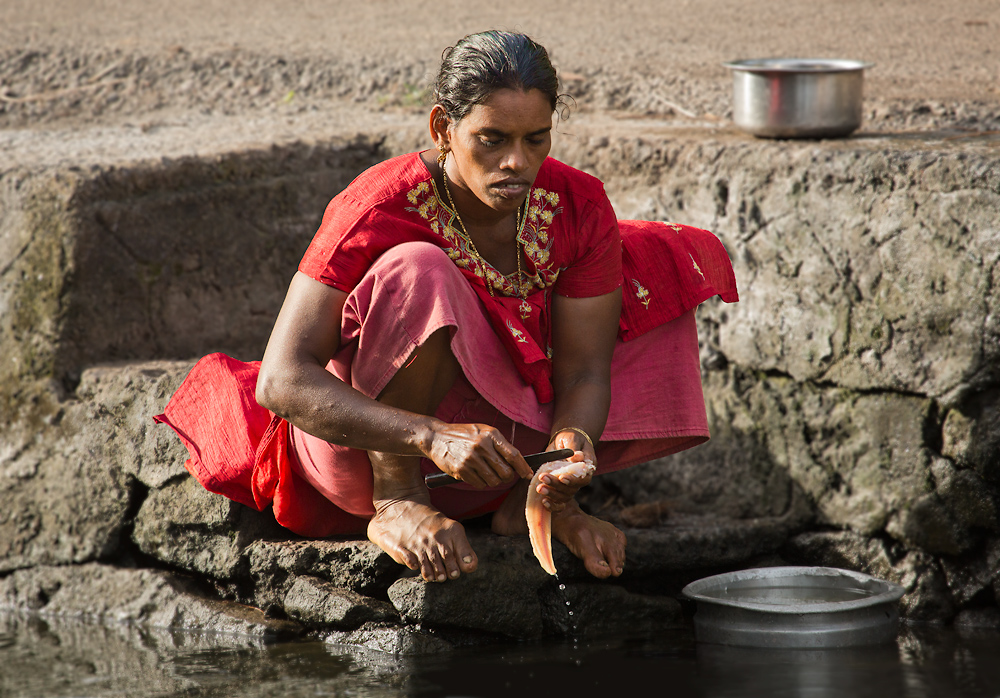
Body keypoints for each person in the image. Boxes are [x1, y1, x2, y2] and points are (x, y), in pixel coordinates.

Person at [155, 30, 737, 584]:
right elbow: (280, 381)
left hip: (495, 467)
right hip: (367, 459)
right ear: (443, 128)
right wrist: (431, 437)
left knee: (655, 260)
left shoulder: (576, 204)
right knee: (421, 270)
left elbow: (585, 369)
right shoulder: (378, 206)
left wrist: (563, 465)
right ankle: (400, 503)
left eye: (536, 138)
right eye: (492, 139)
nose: (516, 162)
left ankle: (525, 507)